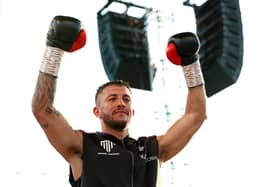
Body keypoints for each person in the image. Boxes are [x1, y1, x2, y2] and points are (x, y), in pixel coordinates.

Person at [31, 15, 207, 187]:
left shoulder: (152, 149)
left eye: (126, 99)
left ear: (132, 111)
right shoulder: (83, 146)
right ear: (97, 111)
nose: (121, 103)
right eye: (112, 98)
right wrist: (54, 49)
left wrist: (191, 64)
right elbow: (43, 110)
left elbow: (196, 115)